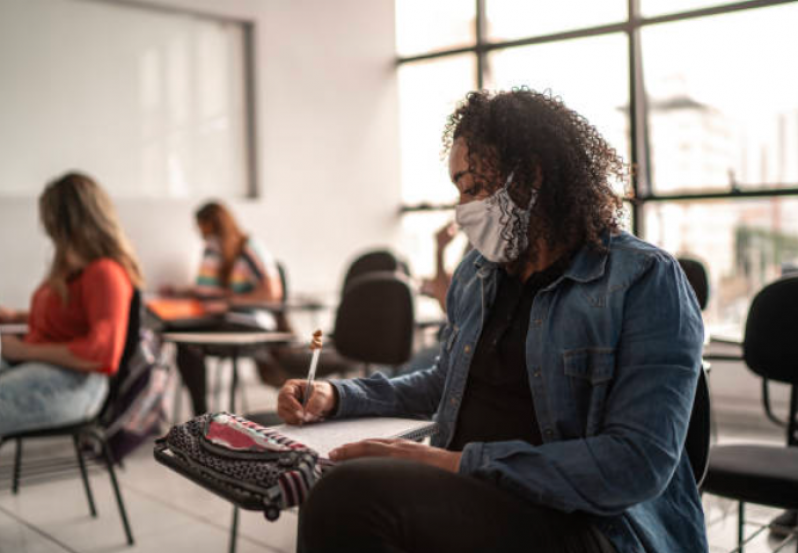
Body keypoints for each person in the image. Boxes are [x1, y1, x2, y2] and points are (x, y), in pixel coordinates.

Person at [278, 89, 707, 553]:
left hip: (591, 523)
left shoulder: (644, 279)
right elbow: (446, 382)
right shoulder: (479, 272)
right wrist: (338, 396)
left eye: (473, 187)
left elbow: (636, 463)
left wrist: (455, 464)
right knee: (332, 483)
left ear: (532, 176)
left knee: (351, 496)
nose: (463, 210)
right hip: (479, 495)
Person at [0, 172, 143, 437]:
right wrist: (13, 317)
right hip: (46, 367)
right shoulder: (72, 269)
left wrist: (23, 351)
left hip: (77, 384)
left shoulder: (105, 272)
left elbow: (101, 353)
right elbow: (68, 321)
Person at [167, 201, 286, 415]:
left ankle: (201, 415)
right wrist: (181, 292)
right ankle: (200, 413)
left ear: (212, 223)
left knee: (189, 343)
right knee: (182, 341)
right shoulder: (212, 250)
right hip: (218, 319)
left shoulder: (249, 247)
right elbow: (208, 291)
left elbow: (273, 292)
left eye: (200, 225)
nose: (198, 231)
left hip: (248, 323)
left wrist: (230, 303)